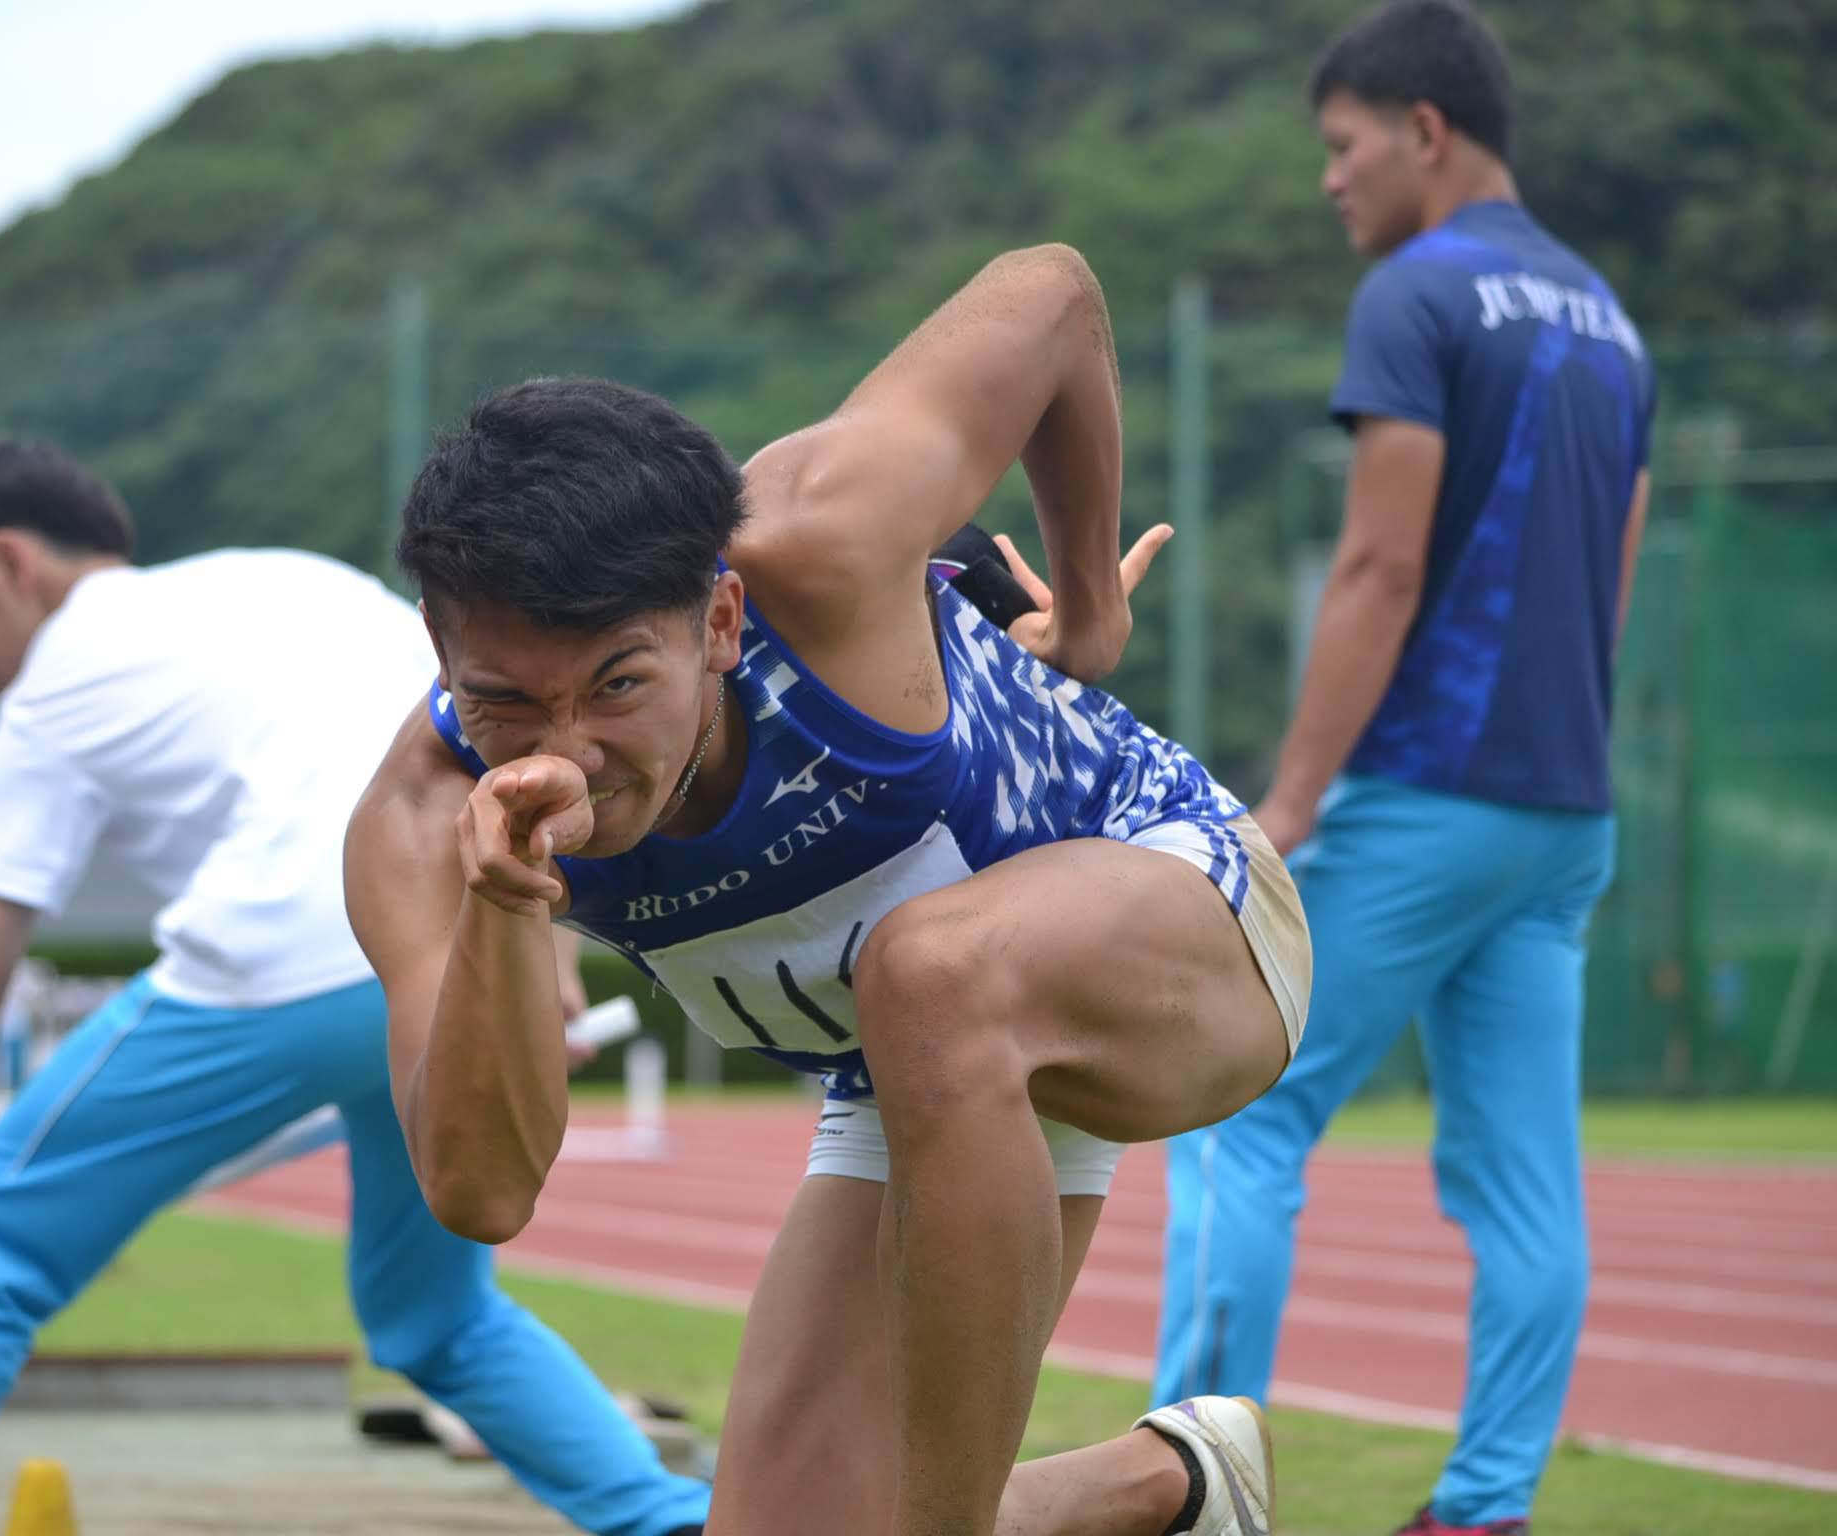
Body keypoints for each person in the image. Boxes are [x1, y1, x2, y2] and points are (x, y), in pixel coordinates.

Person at [344, 242, 1314, 1536]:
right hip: (919, 1076)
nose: (567, 750)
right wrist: (510, 906)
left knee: (929, 970)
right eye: (509, 701)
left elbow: (1059, 295)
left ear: (722, 623)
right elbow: (482, 1194)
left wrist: (1088, 614)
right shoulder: (422, 818)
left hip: (1181, 907)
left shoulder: (823, 531)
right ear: (440, 650)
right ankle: (1174, 1484)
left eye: (619, 687)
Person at [0, 438, 711, 1536]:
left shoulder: (52, 692)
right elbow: (470, 730)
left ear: (10, 564)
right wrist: (532, 950)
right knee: (432, 1320)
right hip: (447, 938)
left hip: (286, 959)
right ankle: (667, 1522)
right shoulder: (280, 577)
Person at [1149, 5, 1656, 1535]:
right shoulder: (1614, 326)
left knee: (1239, 1114)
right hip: (1566, 814)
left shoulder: (1417, 296)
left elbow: (1376, 565)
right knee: (1521, 1187)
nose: (1331, 179)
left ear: (1425, 131)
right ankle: (1484, 1507)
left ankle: (1190, 1489)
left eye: (1343, 143)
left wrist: (1291, 803)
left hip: (1423, 794)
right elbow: (1612, 591)